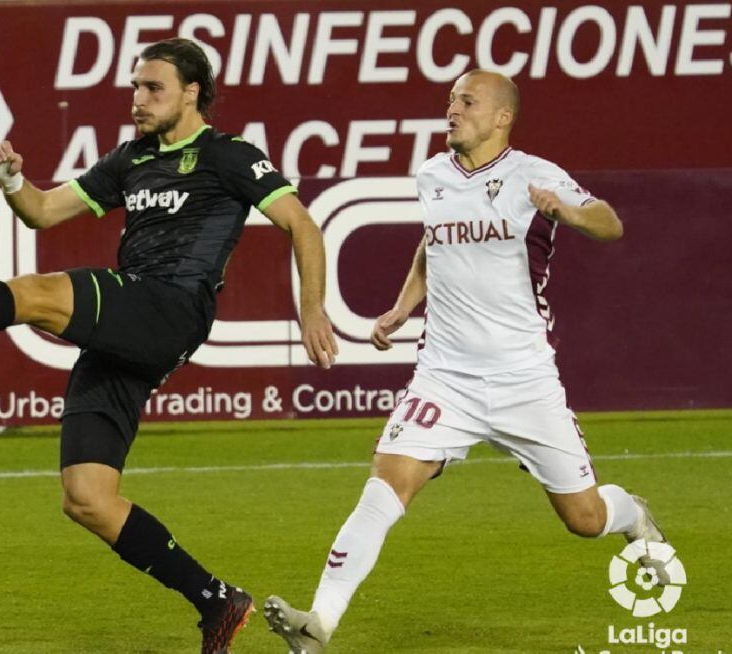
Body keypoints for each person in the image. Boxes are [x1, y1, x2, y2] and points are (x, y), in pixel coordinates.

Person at [0, 37, 338, 653]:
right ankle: (217, 600)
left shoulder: (229, 156)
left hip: (170, 306)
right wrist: (13, 179)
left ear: (193, 92)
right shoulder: (130, 160)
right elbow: (40, 211)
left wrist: (312, 310)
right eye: (135, 89)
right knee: (87, 498)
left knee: (38, 293)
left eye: (153, 89)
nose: (138, 101)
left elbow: (301, 224)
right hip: (131, 324)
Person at [262, 69, 670, 654]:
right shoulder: (432, 175)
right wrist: (404, 306)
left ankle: (631, 514)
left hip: (523, 379)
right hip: (445, 377)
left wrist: (572, 214)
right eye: (451, 99)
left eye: (467, 101)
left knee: (583, 518)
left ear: (502, 117)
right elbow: (432, 244)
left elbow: (610, 221)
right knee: (385, 483)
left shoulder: (534, 175)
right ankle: (319, 622)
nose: (452, 109)